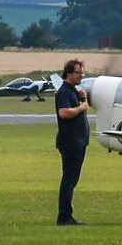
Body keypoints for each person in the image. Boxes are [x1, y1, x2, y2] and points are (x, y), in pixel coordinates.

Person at [54, 58, 89, 226]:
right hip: (71, 142)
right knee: (68, 180)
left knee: (72, 180)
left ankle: (67, 215)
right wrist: (81, 107)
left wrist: (83, 100)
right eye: (78, 73)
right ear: (69, 73)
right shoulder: (64, 92)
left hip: (79, 141)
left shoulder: (73, 92)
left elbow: (82, 114)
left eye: (82, 72)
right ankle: (64, 217)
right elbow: (64, 113)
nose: (81, 76)